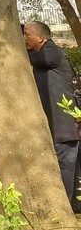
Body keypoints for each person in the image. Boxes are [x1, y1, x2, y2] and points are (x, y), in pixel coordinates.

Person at [24, 20, 81, 212]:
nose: (24, 39)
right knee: (71, 168)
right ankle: (75, 205)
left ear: (41, 37)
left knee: (66, 165)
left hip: (63, 126)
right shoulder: (42, 58)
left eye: (27, 34)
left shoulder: (52, 52)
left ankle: (64, 207)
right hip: (61, 126)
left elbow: (39, 59)